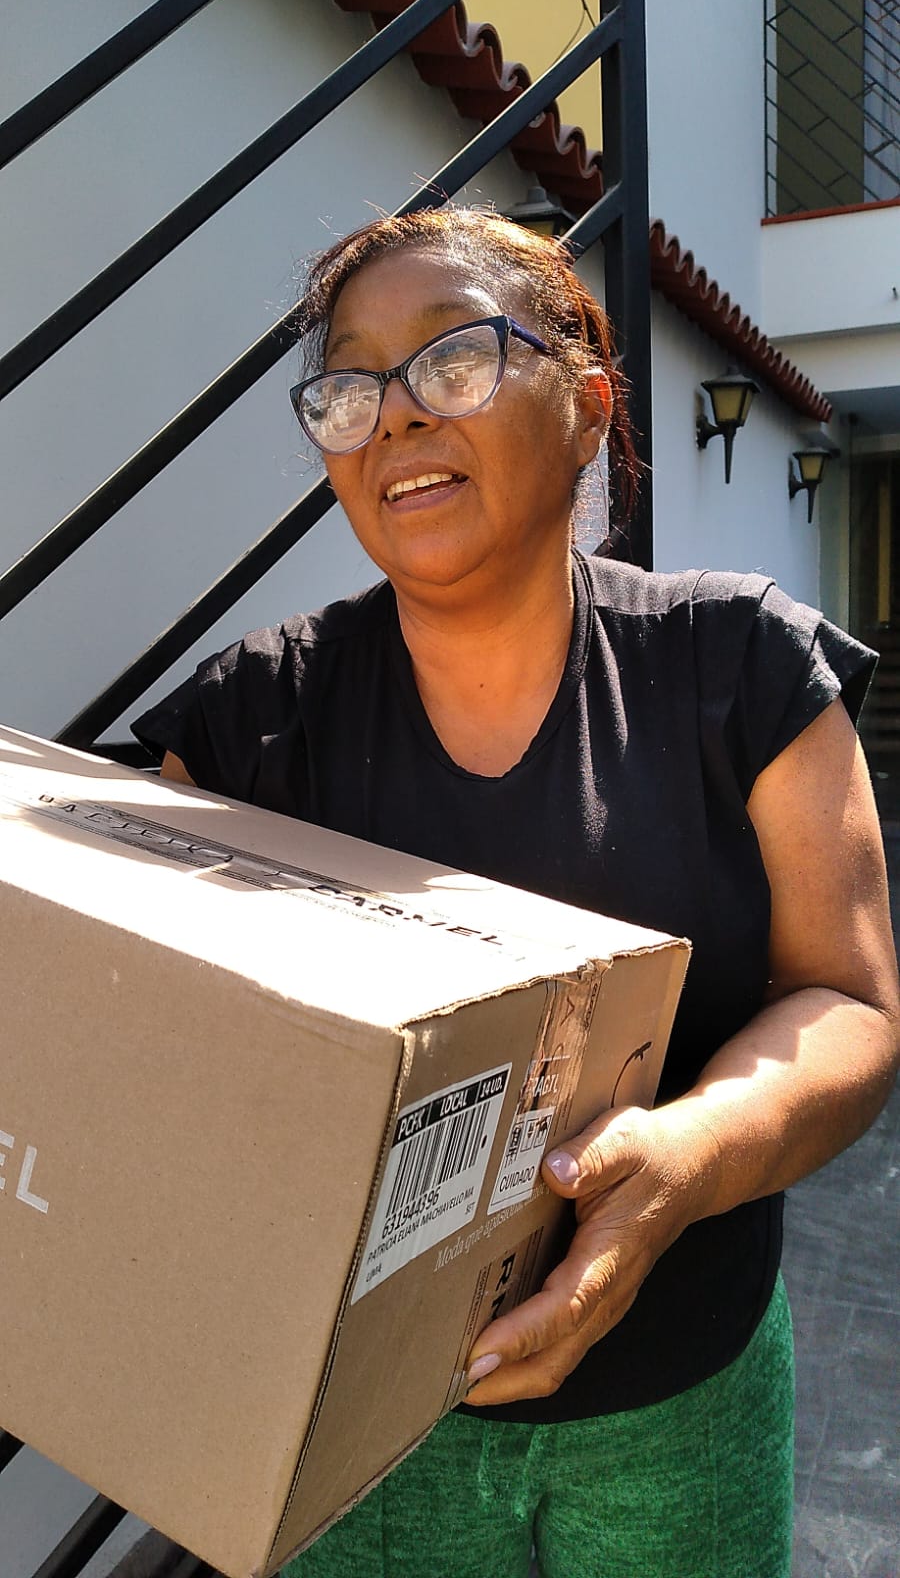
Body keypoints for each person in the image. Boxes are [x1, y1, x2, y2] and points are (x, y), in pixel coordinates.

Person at [133, 208, 899, 1578]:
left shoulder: (738, 669)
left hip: (682, 1393)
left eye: (453, 358)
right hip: (361, 1433)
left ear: (589, 406)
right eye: (349, 385)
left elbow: (847, 1003)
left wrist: (688, 1160)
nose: (395, 414)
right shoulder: (253, 725)